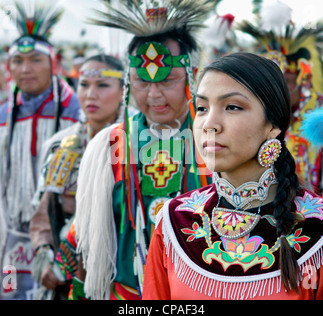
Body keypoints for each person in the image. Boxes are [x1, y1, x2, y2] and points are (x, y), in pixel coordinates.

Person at [142, 52, 323, 300]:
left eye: (232, 107)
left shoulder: (317, 226)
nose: (209, 124)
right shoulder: (175, 220)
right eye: (202, 108)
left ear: (273, 126)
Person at [73, 0, 216, 300]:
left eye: (167, 80)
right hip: (127, 295)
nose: (153, 94)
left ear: (193, 75)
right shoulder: (108, 145)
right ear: (128, 81)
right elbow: (87, 234)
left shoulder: (214, 139)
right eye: (141, 82)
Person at [28, 54, 127, 300]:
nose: (90, 94)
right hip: (65, 277)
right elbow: (44, 209)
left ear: (124, 90)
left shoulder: (137, 143)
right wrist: (44, 252)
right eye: (84, 84)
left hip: (122, 274)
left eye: (102, 85)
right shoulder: (60, 145)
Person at [0, 2, 81, 300]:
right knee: (10, 293)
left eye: (35, 60)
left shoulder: (78, 112)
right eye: (17, 61)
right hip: (12, 241)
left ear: (54, 63)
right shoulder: (4, 115)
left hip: (62, 237)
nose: (25, 69)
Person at [238, 1, 323, 194]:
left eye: (287, 83)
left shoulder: (319, 118)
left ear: (303, 79)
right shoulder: (255, 115)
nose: (278, 92)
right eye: (272, 85)